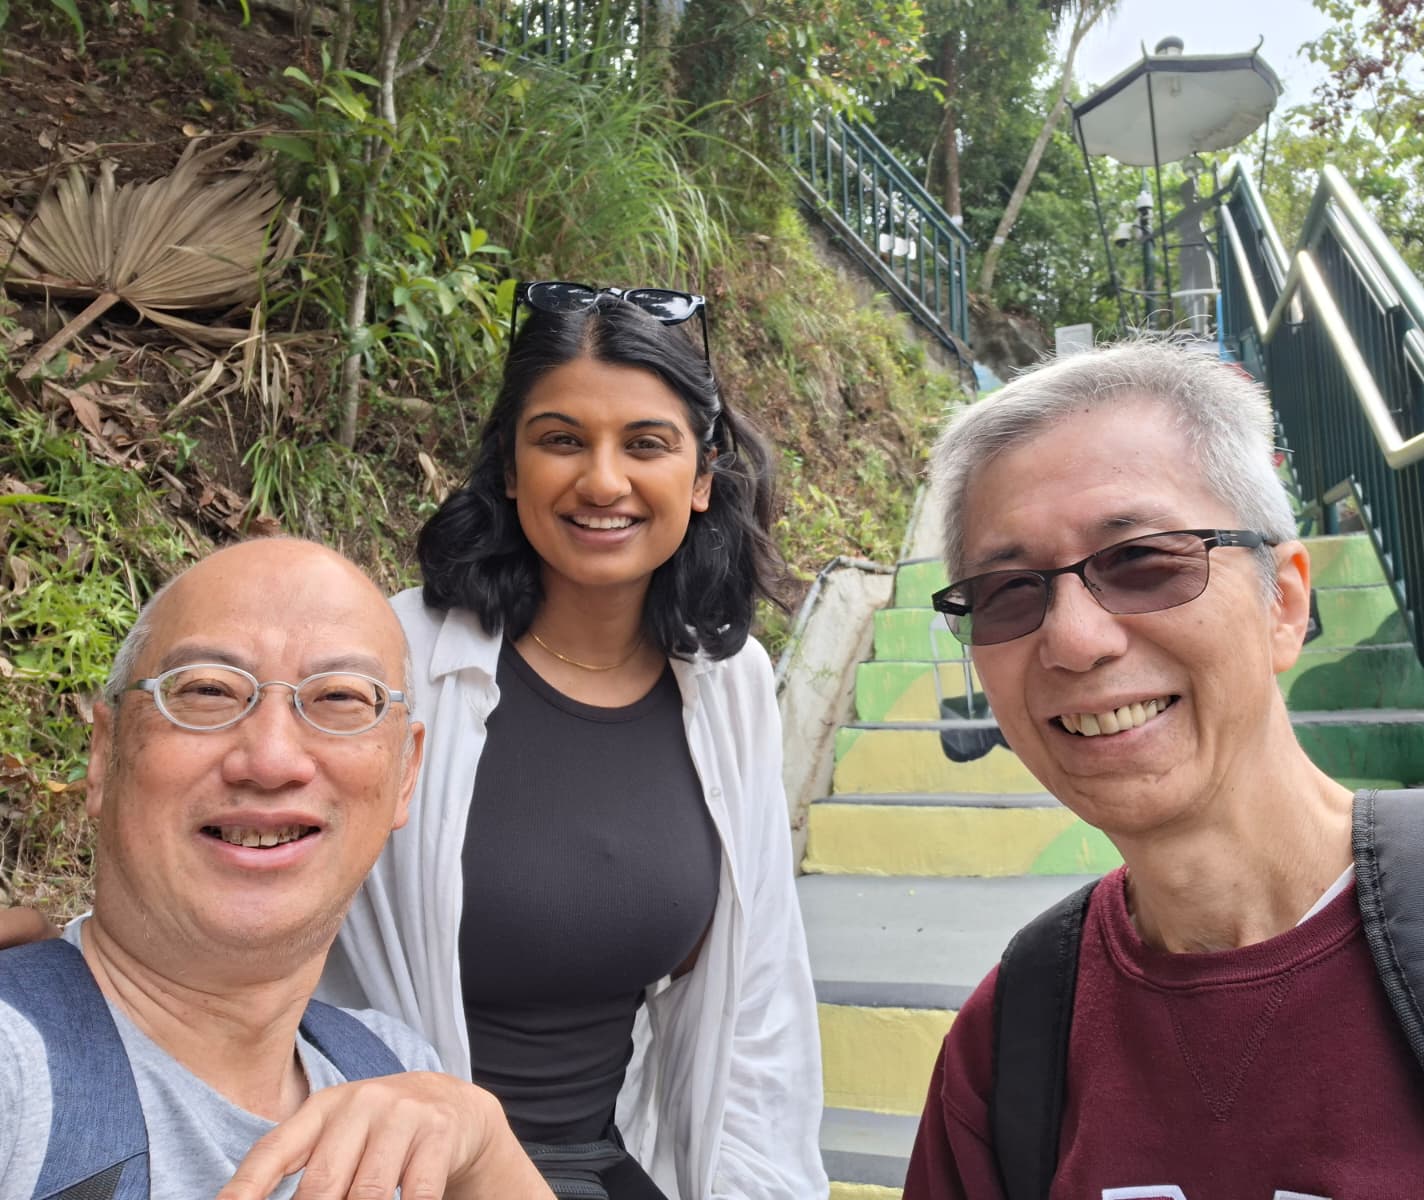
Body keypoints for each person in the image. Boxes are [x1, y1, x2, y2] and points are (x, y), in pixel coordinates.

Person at [901, 340, 1424, 1199]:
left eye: (1144, 560)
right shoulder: (1011, 1041)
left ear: (1287, 603)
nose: (1076, 641)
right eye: (1010, 590)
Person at [317, 282, 828, 1199]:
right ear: (510, 469)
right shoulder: (389, 662)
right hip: (385, 1169)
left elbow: (758, 1007)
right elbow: (248, 879)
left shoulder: (730, 684)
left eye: (646, 444)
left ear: (702, 477)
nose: (602, 480)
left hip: (603, 1169)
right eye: (561, 440)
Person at [0, 538, 553, 1200]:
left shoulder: (395, 1072)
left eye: (342, 699)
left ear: (406, 775)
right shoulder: (16, 1074)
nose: (269, 759)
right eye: (205, 691)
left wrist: (490, 1156)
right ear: (104, 753)